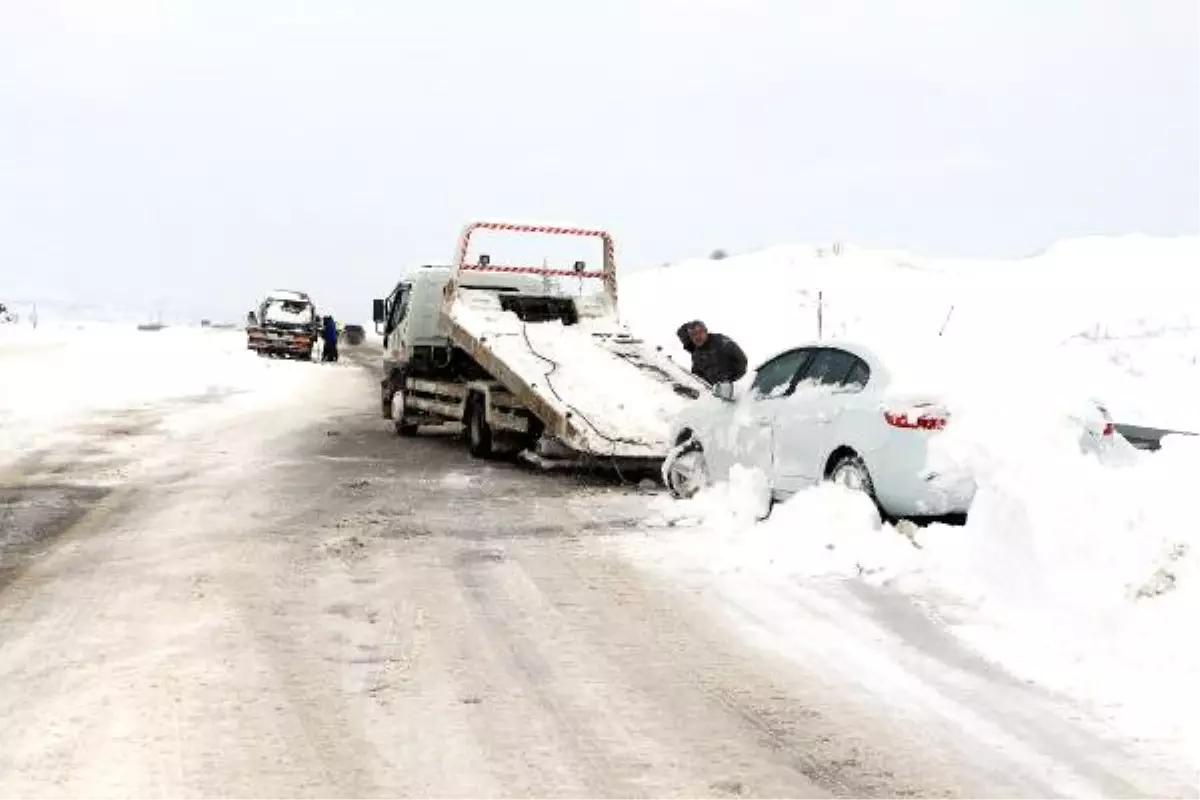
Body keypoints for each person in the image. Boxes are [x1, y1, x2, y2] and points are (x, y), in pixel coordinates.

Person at [675, 319, 747, 385]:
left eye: (699, 332)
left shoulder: (721, 341)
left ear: (706, 331)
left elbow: (742, 360)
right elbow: (697, 374)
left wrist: (731, 379)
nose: (697, 337)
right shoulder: (696, 354)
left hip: (732, 386)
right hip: (713, 391)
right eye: (693, 335)